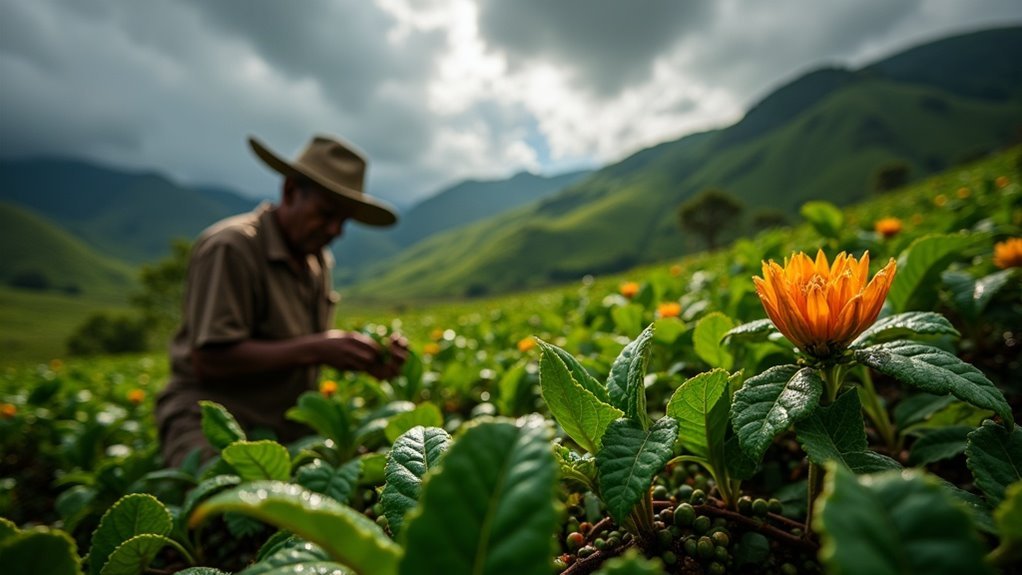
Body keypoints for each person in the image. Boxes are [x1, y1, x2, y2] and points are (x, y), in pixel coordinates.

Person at [155, 134, 409, 467]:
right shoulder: (231, 247)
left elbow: (298, 349)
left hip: (286, 423)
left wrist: (367, 359)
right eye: (326, 213)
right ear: (290, 192)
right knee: (225, 504)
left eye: (344, 220)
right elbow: (210, 359)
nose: (336, 230)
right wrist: (318, 348)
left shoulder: (317, 262)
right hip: (212, 418)